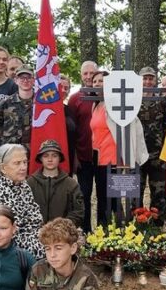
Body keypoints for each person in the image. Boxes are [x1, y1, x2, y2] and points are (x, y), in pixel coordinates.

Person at [0, 144, 44, 259]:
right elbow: (9, 235)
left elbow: (35, 218)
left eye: (25, 162)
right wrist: (41, 243)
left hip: (29, 238)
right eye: (17, 163)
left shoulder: (23, 185)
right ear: (3, 168)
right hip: (5, 248)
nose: (23, 167)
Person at [66, 61, 98, 233]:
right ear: (81, 75)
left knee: (105, 195)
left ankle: (104, 229)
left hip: (103, 157)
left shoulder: (106, 96)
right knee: (84, 195)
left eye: (91, 73)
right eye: (85, 73)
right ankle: (86, 230)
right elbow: (72, 129)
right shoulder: (75, 98)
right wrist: (76, 157)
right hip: (83, 156)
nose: (88, 77)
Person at [27, 140, 85, 227]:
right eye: (46, 156)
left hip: (63, 235)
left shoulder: (71, 184)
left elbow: (78, 212)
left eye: (54, 156)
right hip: (34, 234)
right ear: (40, 158)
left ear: (60, 158)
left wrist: (61, 227)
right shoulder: (30, 183)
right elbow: (24, 210)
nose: (50, 159)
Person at [136, 67, 166, 223]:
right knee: (136, 194)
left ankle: (158, 229)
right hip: (137, 156)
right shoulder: (132, 101)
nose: (148, 82)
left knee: (159, 195)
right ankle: (137, 227)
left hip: (158, 156)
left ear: (155, 81)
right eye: (144, 79)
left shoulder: (162, 101)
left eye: (151, 78)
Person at [89, 70, 119, 225]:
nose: (97, 84)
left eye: (101, 81)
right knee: (102, 198)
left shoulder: (113, 104)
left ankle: (117, 235)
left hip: (112, 159)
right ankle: (102, 234)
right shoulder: (96, 104)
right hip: (99, 158)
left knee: (113, 201)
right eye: (95, 81)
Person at [0, 68, 35, 149]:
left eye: (29, 77)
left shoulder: (41, 104)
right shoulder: (6, 102)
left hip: (34, 151)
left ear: (34, 80)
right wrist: (8, 133)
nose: (25, 80)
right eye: (21, 78)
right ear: (16, 80)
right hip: (10, 151)